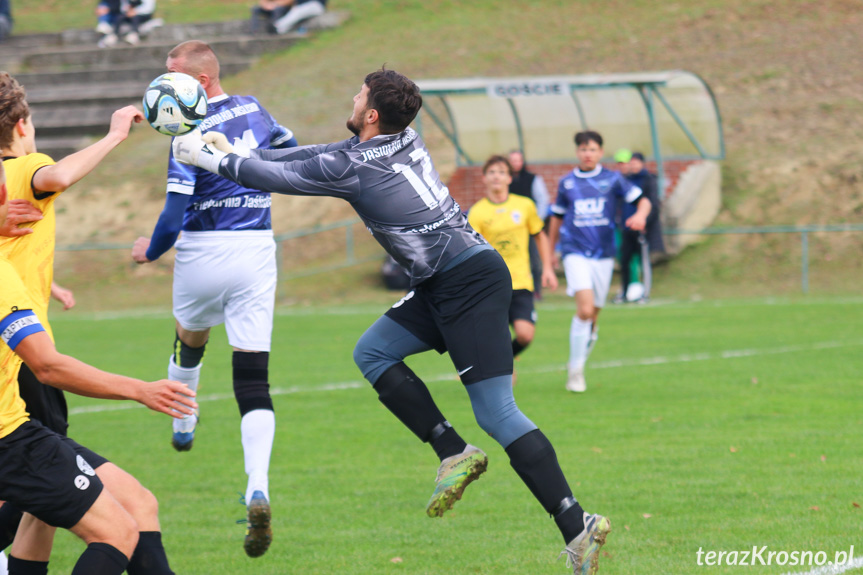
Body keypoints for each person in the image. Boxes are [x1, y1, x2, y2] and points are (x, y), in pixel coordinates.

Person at [172, 67, 612, 574]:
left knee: (497, 412)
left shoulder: (355, 166)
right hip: (446, 279)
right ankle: (453, 451)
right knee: (373, 352)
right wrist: (232, 154)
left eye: (358, 95)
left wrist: (211, 158)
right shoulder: (400, 140)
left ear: (371, 114)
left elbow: (279, 176)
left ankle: (577, 525)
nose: (353, 99)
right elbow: (304, 156)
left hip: (465, 280)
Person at [0, 71, 191, 574]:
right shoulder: (22, 167)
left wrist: (48, 286)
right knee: (123, 515)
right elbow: (57, 177)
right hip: (18, 370)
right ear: (21, 126)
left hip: (17, 343)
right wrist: (113, 136)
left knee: (43, 505)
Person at [131, 40, 298, 559]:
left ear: (199, 82)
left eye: (171, 76)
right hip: (256, 248)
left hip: (203, 251)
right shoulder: (255, 107)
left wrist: (150, 252)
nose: (162, 86)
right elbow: (289, 151)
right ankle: (257, 483)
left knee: (190, 338)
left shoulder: (187, 129)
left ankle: (184, 421)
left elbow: (174, 214)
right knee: (254, 377)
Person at [548, 131, 651, 393]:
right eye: (583, 149)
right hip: (574, 251)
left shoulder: (613, 179)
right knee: (584, 310)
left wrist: (640, 215)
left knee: (593, 314)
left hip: (604, 254)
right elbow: (557, 218)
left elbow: (644, 201)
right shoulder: (567, 183)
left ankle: (583, 348)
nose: (587, 153)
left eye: (592, 149)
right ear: (577, 152)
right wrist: (550, 253)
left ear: (600, 153)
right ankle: (575, 371)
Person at [467, 155, 557, 371]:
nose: (496, 176)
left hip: (521, 282)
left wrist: (547, 268)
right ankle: (504, 370)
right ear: (484, 178)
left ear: (509, 178)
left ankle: (503, 361)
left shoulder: (524, 205)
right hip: (490, 286)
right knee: (492, 338)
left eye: (501, 172)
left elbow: (540, 235)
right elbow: (470, 249)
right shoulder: (477, 212)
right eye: (492, 172)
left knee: (525, 335)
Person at [508, 149, 550, 299]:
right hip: (509, 230)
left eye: (518, 160)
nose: (515, 164)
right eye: (512, 161)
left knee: (534, 261)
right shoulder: (505, 181)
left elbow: (542, 201)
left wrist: (535, 222)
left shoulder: (533, 179)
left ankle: (536, 290)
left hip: (529, 228)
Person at [251, 0, 326, 35]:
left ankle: (278, 27)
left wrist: (275, 4)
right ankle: (279, 28)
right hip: (302, 6)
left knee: (297, 12)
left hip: (316, 5)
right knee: (295, 12)